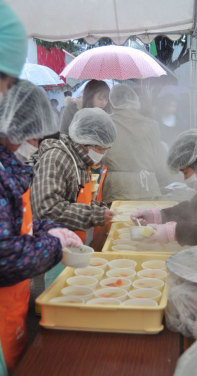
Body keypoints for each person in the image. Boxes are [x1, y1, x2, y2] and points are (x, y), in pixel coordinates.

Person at [0, 79, 82, 371]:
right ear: (11, 129)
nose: (35, 146)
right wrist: (54, 244)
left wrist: (47, 229)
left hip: (14, 303)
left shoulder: (12, 167)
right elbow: (5, 257)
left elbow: (21, 220)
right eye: (32, 138)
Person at [31, 107, 116, 244]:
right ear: (83, 142)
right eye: (99, 148)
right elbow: (47, 210)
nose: (102, 153)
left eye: (105, 149)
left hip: (71, 243)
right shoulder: (56, 159)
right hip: (52, 246)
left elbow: (74, 199)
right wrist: (94, 214)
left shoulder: (81, 160)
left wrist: (101, 208)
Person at [102, 84, 169, 204]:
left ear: (111, 103)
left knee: (118, 222)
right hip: (147, 187)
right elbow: (159, 161)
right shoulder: (149, 125)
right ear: (135, 102)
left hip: (117, 189)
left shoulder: (105, 123)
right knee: (146, 222)